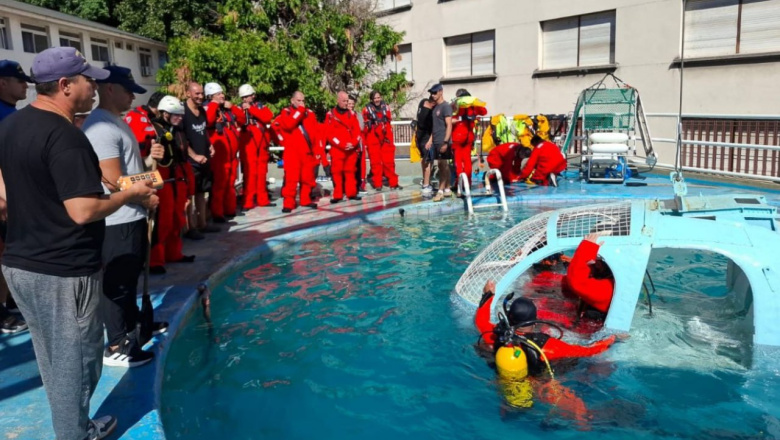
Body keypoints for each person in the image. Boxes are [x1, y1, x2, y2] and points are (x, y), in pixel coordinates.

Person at [0, 46, 156, 440]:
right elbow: (84, 210)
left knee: (54, 360)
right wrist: (132, 195)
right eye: (88, 79)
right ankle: (75, 433)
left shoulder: (12, 126)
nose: (94, 86)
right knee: (77, 361)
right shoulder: (65, 136)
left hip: (21, 262)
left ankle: (74, 425)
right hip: (62, 269)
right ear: (67, 86)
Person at [82, 65, 165, 368]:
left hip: (131, 214)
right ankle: (117, 343)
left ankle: (133, 329)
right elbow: (114, 180)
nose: (133, 95)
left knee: (129, 278)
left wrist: (149, 164)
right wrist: (147, 191)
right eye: (128, 89)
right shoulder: (102, 127)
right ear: (109, 89)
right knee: (117, 282)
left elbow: (129, 172)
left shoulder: (117, 122)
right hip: (117, 219)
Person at [149, 95, 197, 274]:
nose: (179, 118)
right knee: (163, 222)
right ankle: (155, 260)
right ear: (165, 113)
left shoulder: (177, 130)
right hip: (163, 182)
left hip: (177, 180)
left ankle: (173, 253)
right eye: (175, 114)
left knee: (177, 219)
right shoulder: (154, 129)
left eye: (180, 115)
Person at [0, 59, 31, 334]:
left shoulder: (10, 112)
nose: (25, 86)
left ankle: (9, 301)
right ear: (3, 83)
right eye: (20, 81)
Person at [271, 91, 320, 213]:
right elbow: (288, 125)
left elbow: (315, 133)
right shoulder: (286, 112)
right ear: (292, 101)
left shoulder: (310, 114)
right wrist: (300, 111)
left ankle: (305, 200)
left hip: (307, 152)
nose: (302, 103)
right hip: (292, 153)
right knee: (291, 179)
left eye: (303, 100)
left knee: (307, 178)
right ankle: (288, 203)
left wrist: (317, 150)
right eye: (299, 100)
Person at [204, 82, 246, 222]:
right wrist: (214, 104)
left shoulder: (227, 109)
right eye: (218, 94)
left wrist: (233, 107)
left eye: (222, 93)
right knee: (220, 185)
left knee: (230, 183)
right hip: (219, 157)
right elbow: (209, 120)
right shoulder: (209, 108)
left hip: (231, 155)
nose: (222, 96)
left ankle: (229, 209)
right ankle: (217, 213)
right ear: (211, 96)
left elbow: (242, 119)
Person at [183, 82, 217, 239]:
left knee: (202, 192)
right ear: (188, 93)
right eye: (196, 93)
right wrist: (194, 155)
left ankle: (202, 223)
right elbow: (181, 139)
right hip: (191, 161)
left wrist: (209, 145)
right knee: (189, 196)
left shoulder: (202, 110)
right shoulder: (182, 112)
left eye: (202, 93)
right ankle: (191, 227)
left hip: (204, 158)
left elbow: (204, 131)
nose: (200, 96)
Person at [237, 84, 276, 209]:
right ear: (244, 97)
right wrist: (245, 110)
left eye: (252, 95)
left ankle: (262, 199)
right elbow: (239, 120)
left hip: (262, 144)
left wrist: (252, 110)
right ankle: (248, 201)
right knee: (250, 173)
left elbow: (268, 117)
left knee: (262, 172)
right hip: (248, 143)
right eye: (250, 96)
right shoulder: (238, 109)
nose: (253, 97)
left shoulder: (259, 106)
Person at [563, 233, 615, 318]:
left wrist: (588, 248)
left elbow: (577, 282)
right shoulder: (614, 281)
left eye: (596, 260)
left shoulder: (609, 288)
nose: (593, 262)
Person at [325, 91, 362, 203]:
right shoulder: (330, 115)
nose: (346, 103)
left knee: (350, 172)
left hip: (350, 149)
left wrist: (353, 143)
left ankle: (351, 193)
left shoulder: (352, 114)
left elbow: (357, 131)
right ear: (338, 100)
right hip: (337, 150)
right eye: (344, 101)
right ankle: (338, 195)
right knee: (337, 173)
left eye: (347, 101)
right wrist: (341, 144)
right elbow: (329, 134)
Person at [362, 90, 401, 191]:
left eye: (378, 97)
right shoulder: (366, 110)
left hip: (385, 134)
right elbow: (364, 125)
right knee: (375, 162)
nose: (377, 100)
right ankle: (378, 184)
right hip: (373, 135)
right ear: (371, 99)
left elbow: (388, 120)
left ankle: (393, 183)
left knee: (389, 161)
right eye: (375, 98)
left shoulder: (386, 107)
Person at [450, 89, 487, 188]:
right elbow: (484, 111)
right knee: (467, 161)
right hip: (469, 136)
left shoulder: (456, 104)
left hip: (457, 136)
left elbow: (449, 115)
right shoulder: (473, 105)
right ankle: (468, 184)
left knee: (458, 161)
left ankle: (459, 184)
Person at [429, 83, 453, 202]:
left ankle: (440, 190)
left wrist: (445, 142)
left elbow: (449, 125)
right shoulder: (435, 108)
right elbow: (435, 126)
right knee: (444, 165)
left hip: (443, 141)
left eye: (434, 93)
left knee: (442, 165)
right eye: (431, 93)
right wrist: (431, 140)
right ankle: (447, 189)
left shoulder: (445, 106)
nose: (432, 95)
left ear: (441, 92)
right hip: (437, 140)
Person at [414, 91, 436, 196]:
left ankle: (426, 181)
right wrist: (430, 141)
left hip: (420, 136)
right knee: (428, 161)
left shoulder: (422, 102)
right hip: (425, 138)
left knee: (424, 160)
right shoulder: (432, 112)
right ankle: (426, 185)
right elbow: (434, 128)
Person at [347, 94, 366, 194]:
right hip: (347, 144)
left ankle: (359, 184)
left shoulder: (358, 115)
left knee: (359, 166)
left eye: (352, 104)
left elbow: (361, 127)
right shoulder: (343, 114)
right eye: (349, 103)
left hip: (358, 143)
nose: (351, 105)